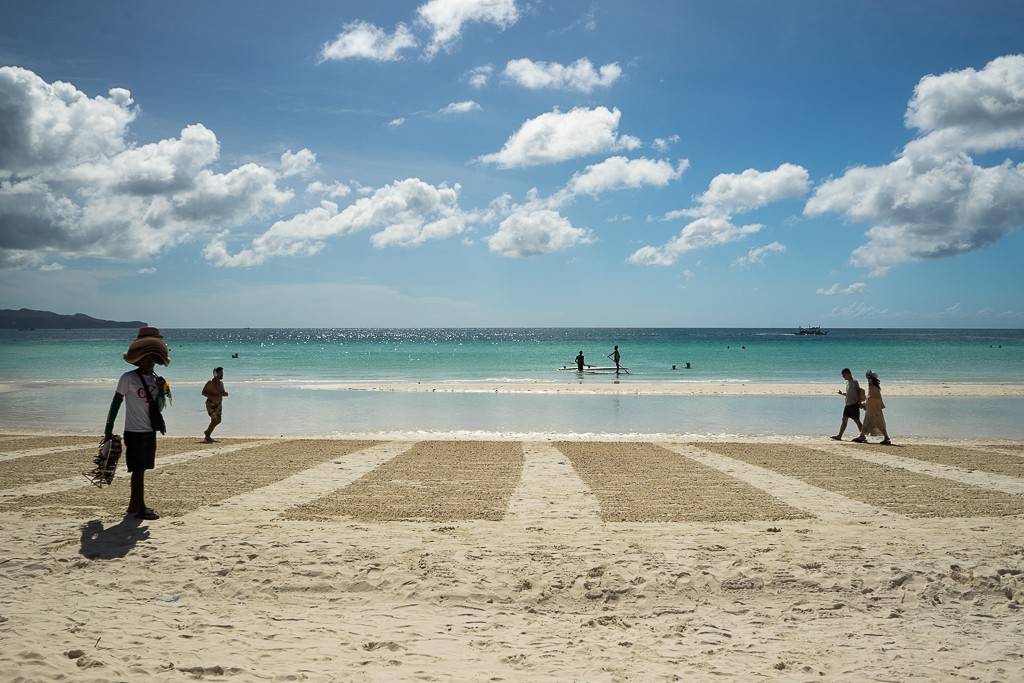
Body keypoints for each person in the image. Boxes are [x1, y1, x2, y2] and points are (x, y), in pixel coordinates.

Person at [104, 327, 171, 521]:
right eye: (145, 359)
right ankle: (141, 508)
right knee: (138, 470)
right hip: (133, 431)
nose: (149, 363)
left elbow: (159, 407)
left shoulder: (158, 380)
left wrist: (161, 391)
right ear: (137, 359)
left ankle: (133, 506)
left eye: (152, 359)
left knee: (142, 469)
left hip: (150, 430)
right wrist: (108, 430)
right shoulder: (128, 378)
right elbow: (115, 403)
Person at [853, 370, 891, 444]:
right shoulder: (871, 387)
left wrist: (867, 403)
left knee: (880, 423)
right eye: (868, 378)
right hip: (871, 409)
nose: (868, 379)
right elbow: (871, 398)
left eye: (870, 378)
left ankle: (886, 437)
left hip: (876, 409)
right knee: (866, 423)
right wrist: (866, 403)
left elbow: (876, 398)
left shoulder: (875, 388)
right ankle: (861, 436)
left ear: (873, 379)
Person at [830, 367, 863, 441]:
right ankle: (839, 436)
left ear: (848, 374)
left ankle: (863, 435)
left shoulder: (854, 381)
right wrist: (842, 394)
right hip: (847, 404)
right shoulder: (847, 382)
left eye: (844, 375)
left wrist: (859, 402)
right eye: (843, 376)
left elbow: (858, 391)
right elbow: (849, 393)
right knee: (844, 419)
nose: (843, 377)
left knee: (856, 420)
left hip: (854, 404)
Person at [202, 366, 229, 443]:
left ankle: (207, 434)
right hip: (211, 404)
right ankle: (207, 433)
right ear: (216, 374)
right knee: (217, 420)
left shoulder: (221, 383)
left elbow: (222, 392)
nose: (222, 375)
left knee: (216, 420)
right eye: (221, 373)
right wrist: (214, 397)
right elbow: (203, 392)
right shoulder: (210, 383)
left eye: (222, 373)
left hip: (219, 404)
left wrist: (225, 393)